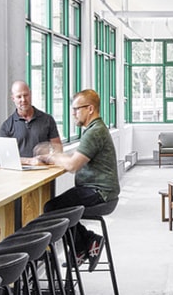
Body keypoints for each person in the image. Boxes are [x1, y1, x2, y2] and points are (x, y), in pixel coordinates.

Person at [36, 89, 119, 271]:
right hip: (99, 190)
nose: (73, 113)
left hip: (100, 193)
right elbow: (75, 158)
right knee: (59, 207)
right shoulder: (95, 130)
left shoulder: (94, 132)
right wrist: (53, 157)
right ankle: (83, 246)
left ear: (90, 109)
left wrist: (51, 156)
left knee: (52, 208)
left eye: (76, 109)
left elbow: (73, 166)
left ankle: (86, 242)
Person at [0, 80, 63, 163]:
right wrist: (30, 161)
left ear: (31, 94)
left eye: (26, 95)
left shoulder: (48, 120)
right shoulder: (6, 126)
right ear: (13, 98)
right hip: (19, 171)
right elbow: (6, 158)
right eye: (19, 97)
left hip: (45, 169)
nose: (23, 99)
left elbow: (58, 150)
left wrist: (47, 158)